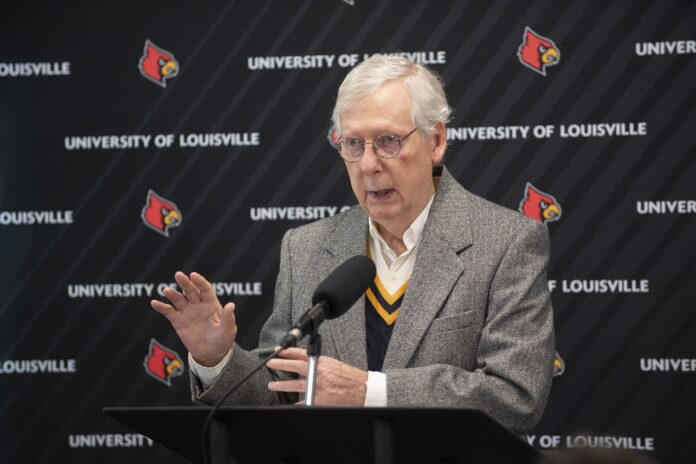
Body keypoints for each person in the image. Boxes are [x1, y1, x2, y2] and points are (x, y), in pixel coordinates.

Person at [151, 55, 555, 434]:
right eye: (353, 144)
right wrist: (217, 359)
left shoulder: (507, 241)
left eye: (388, 141)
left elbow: (514, 395)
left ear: (436, 141)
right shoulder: (306, 247)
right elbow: (280, 390)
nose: (368, 164)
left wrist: (369, 392)